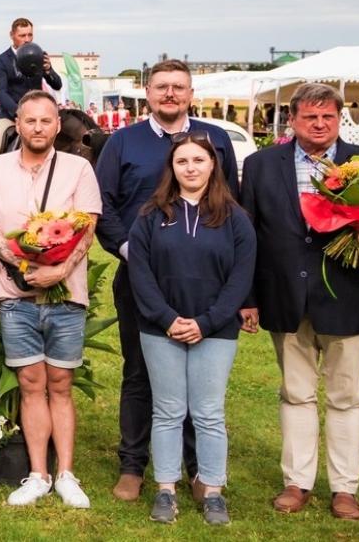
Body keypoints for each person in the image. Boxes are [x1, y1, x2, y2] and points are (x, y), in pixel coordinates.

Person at [94, 59, 239, 502]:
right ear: (148, 93)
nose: (170, 94)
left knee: (199, 377)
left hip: (204, 281)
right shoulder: (123, 142)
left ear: (191, 93)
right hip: (139, 279)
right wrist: (128, 250)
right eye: (161, 88)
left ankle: (198, 469)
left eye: (178, 87)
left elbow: (231, 200)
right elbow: (103, 203)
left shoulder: (215, 140)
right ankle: (133, 464)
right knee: (139, 370)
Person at [236, 83, 359, 520]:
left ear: (339, 119)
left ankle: (344, 488)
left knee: (346, 396)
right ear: (293, 121)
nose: (320, 124)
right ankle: (297, 482)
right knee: (296, 393)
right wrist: (249, 297)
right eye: (310, 117)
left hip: (346, 296)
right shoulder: (261, 165)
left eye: (328, 117)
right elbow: (248, 234)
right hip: (284, 296)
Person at [0, 91, 100, 508]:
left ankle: (66, 473)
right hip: (14, 294)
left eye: (46, 121)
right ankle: (38, 474)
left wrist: (61, 270)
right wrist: (22, 264)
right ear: (17, 125)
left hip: (66, 296)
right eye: (30, 121)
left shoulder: (78, 168)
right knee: (30, 383)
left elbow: (88, 226)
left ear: (57, 125)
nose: (38, 128)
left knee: (60, 383)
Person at [125, 135, 255, 526]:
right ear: (172, 167)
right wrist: (167, 318)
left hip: (214, 331)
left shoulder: (236, 218)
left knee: (208, 412)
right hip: (160, 328)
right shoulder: (150, 215)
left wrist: (206, 322)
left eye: (199, 160)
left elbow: (240, 278)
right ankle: (166, 487)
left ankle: (212, 489)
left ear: (213, 165)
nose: (191, 168)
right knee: (167, 410)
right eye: (182, 161)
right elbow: (141, 274)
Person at [0, 17, 63, 151]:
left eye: (30, 35)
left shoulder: (39, 55)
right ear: (12, 35)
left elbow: (57, 84)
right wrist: (19, 112)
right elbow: (1, 93)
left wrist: (49, 70)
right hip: (10, 116)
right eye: (22, 35)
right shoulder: (1, 61)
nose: (27, 39)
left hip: (39, 114)